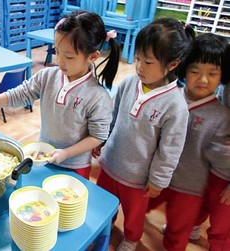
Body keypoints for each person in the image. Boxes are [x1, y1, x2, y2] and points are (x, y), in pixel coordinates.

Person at [0, 10, 121, 179]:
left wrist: (66, 153)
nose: (60, 60)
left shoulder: (98, 97)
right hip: (41, 155)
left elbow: (97, 137)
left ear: (92, 57)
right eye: (57, 51)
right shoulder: (48, 76)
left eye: (68, 57)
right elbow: (18, 95)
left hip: (74, 165)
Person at [92, 18, 195, 251]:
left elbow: (170, 150)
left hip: (138, 179)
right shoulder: (129, 83)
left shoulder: (176, 106)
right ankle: (103, 227)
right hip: (110, 164)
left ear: (172, 64)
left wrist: (158, 181)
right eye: (138, 58)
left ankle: (131, 238)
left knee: (134, 215)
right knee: (103, 204)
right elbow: (113, 114)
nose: (139, 66)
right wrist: (103, 138)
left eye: (147, 62)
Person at [147, 33, 230, 251]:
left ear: (222, 76)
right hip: (159, 177)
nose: (203, 80)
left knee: (178, 233)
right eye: (195, 71)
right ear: (184, 69)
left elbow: (220, 158)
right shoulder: (171, 96)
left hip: (190, 188)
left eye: (212, 73)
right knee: (139, 206)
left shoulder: (222, 116)